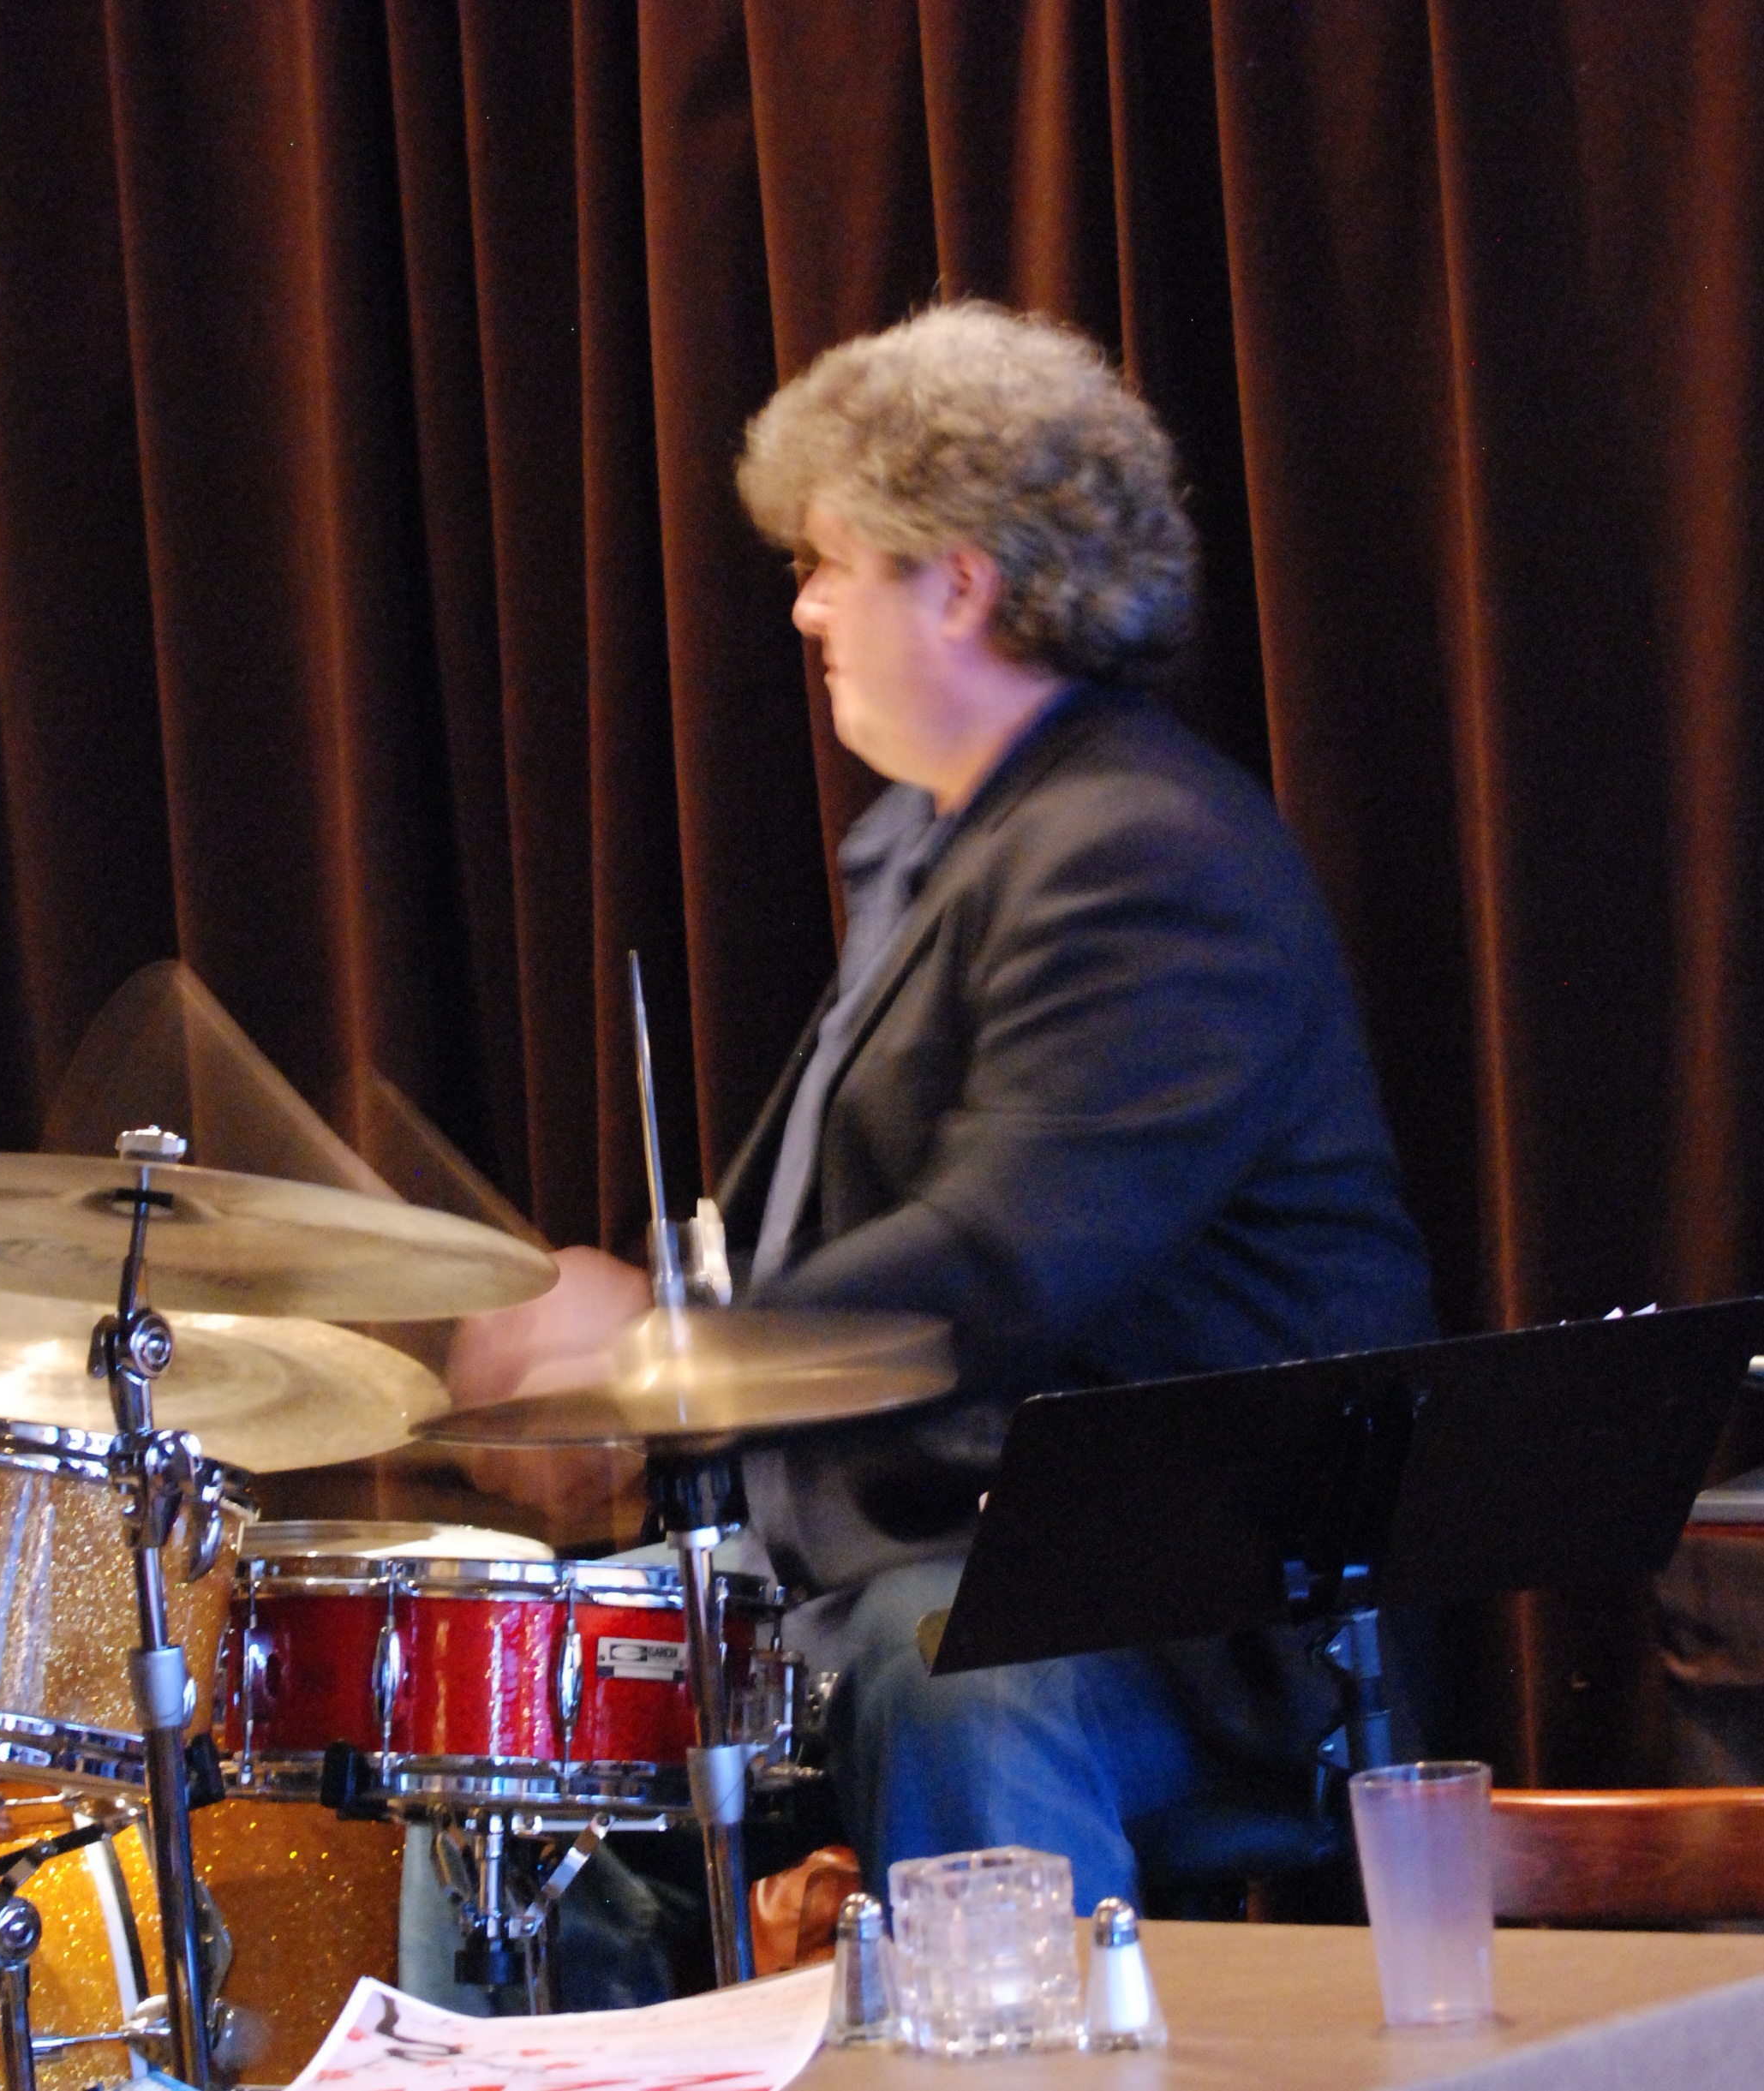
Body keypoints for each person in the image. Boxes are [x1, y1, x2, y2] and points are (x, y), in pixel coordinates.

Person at [451, 302, 1435, 1911]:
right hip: (907, 1555)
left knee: (946, 1667)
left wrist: (657, 1357)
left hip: (1164, 1601)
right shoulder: (942, 843)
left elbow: (999, 1261)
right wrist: (643, 1351)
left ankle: (1014, 2033)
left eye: (827, 562)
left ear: (959, 583)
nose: (804, 608)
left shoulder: (1137, 854)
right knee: (515, 1692)